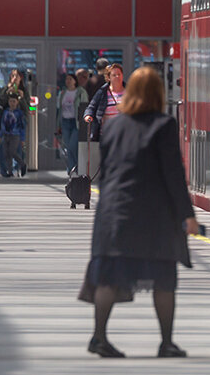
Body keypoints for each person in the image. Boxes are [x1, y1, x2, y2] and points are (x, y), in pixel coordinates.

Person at [79, 65, 199, 358]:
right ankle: (166, 342)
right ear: (158, 93)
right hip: (153, 214)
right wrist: (187, 215)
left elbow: (106, 170)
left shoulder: (116, 125)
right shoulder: (163, 125)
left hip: (114, 211)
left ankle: (99, 337)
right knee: (163, 276)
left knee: (109, 275)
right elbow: (173, 174)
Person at [57, 72, 89, 176]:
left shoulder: (80, 92)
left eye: (70, 79)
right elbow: (60, 109)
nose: (68, 81)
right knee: (67, 146)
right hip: (65, 121)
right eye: (67, 79)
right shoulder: (63, 93)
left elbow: (85, 105)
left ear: (75, 81)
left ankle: (77, 166)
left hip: (76, 122)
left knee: (72, 146)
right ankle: (71, 169)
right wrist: (58, 124)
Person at [84, 64, 125, 142]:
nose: (117, 77)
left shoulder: (129, 91)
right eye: (114, 75)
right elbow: (92, 106)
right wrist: (88, 115)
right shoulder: (102, 92)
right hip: (107, 134)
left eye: (119, 74)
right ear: (108, 78)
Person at [0, 95, 27, 178]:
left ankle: (22, 164)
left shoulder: (19, 113)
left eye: (14, 101)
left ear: (17, 102)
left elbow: (22, 126)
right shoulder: (6, 112)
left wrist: (22, 138)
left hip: (15, 135)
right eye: (10, 101)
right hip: (6, 135)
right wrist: (0, 135)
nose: (12, 103)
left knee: (12, 151)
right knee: (6, 153)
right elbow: (2, 124)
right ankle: (9, 171)